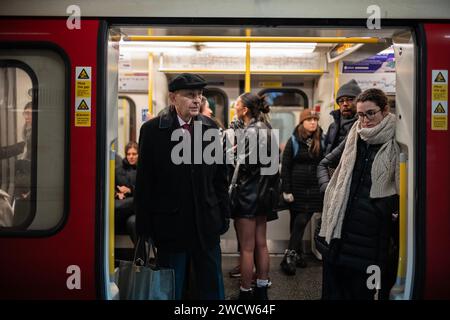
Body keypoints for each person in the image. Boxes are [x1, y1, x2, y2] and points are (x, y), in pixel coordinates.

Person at [135, 73, 230, 300]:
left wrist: (223, 216)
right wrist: (144, 229)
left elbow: (219, 179)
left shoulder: (210, 130)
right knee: (171, 288)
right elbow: (145, 182)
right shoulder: (152, 131)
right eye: (190, 95)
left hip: (206, 224)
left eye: (199, 95)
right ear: (173, 98)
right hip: (170, 225)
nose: (197, 100)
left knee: (212, 287)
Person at [317, 88, 400, 300]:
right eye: (361, 114)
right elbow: (324, 163)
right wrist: (329, 190)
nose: (364, 120)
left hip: (371, 238)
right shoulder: (355, 135)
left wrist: (384, 207)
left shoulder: (398, 139)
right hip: (338, 233)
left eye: (370, 113)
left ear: (385, 110)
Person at [230, 93, 275, 300]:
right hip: (264, 193)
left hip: (248, 193)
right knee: (261, 244)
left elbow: (245, 165)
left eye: (236, 105)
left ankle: (245, 293)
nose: (234, 108)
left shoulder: (250, 132)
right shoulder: (266, 128)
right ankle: (262, 289)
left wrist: (231, 154)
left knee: (247, 249)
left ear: (245, 109)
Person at [280, 109, 325, 275]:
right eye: (309, 119)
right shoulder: (294, 140)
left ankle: (289, 256)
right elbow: (286, 166)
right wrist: (286, 189)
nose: (313, 122)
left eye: (315, 119)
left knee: (301, 221)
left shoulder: (322, 139)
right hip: (296, 189)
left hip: (314, 189)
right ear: (302, 122)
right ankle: (297, 254)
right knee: (295, 222)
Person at [323, 79, 361, 156]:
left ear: (359, 102)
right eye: (341, 101)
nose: (345, 104)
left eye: (350, 100)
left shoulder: (363, 125)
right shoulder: (333, 126)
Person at [115, 141, 138, 244]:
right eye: (128, 154)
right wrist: (117, 194)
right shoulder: (118, 170)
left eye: (134, 154)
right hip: (122, 208)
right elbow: (112, 188)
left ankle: (141, 257)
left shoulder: (144, 170)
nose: (131, 157)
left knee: (132, 222)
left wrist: (130, 190)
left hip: (137, 210)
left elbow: (147, 190)